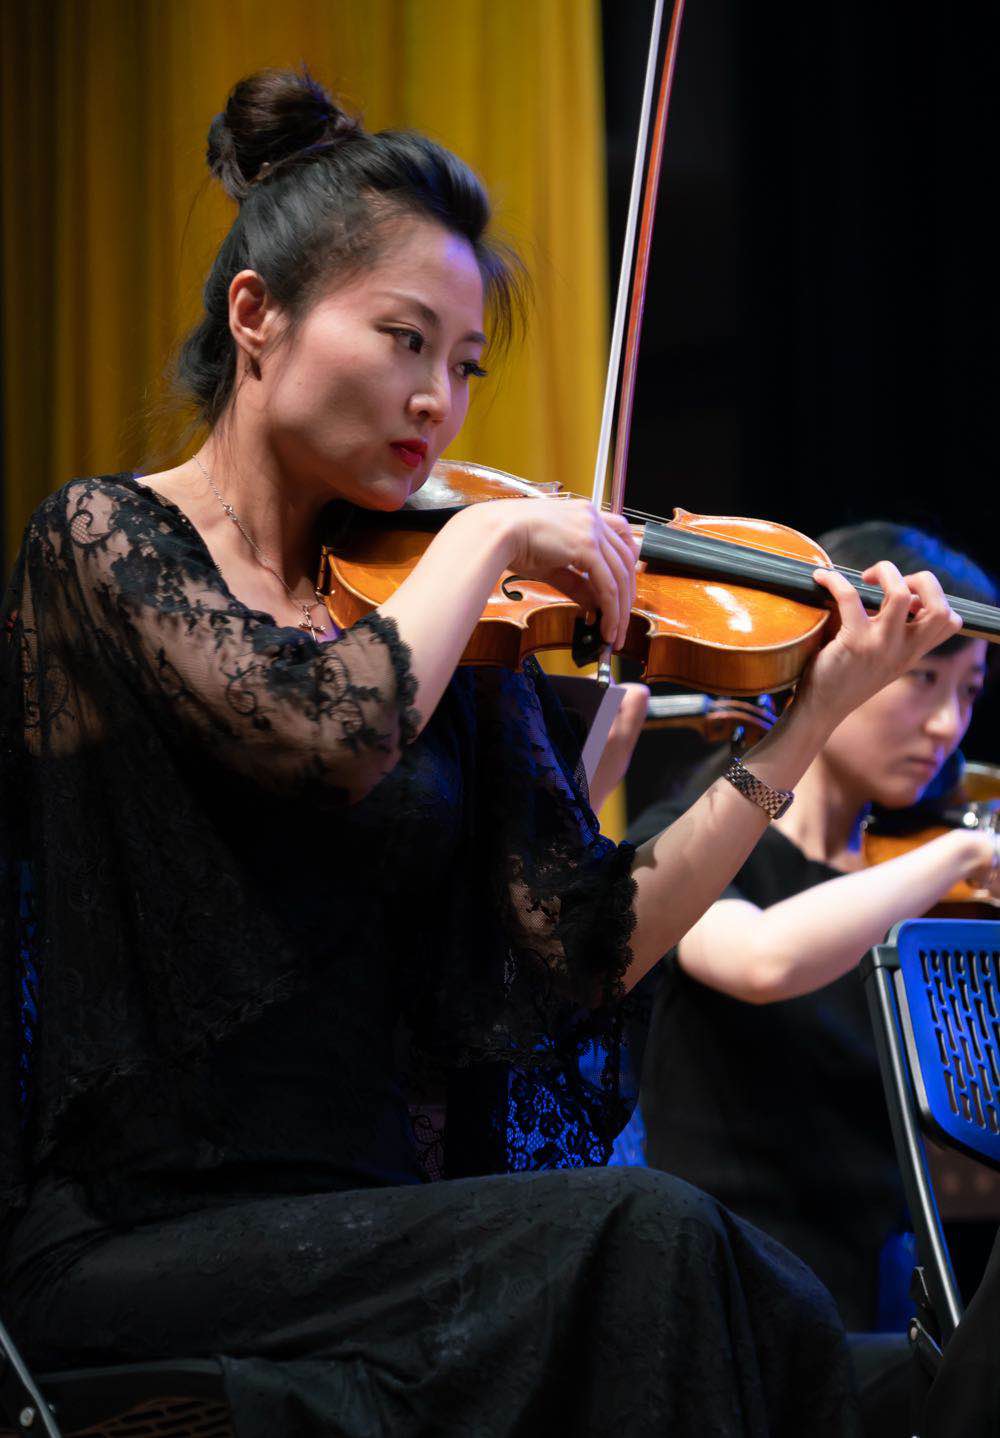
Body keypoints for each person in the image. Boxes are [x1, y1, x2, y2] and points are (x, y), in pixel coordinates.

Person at [0, 70, 963, 1438]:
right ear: (256, 316)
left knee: (789, 1312)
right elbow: (324, 733)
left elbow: (585, 944)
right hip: (140, 1234)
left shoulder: (448, 616)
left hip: (381, 1222)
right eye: (405, 340)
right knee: (650, 1240)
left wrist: (805, 721)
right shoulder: (104, 543)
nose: (437, 403)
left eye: (463, 367)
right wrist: (491, 532)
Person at [628, 521, 999, 1334]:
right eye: (922, 678)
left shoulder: (923, 881)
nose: (948, 726)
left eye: (969, 692)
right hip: (721, 1294)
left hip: (875, 1307)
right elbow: (761, 959)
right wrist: (969, 849)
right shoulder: (693, 838)